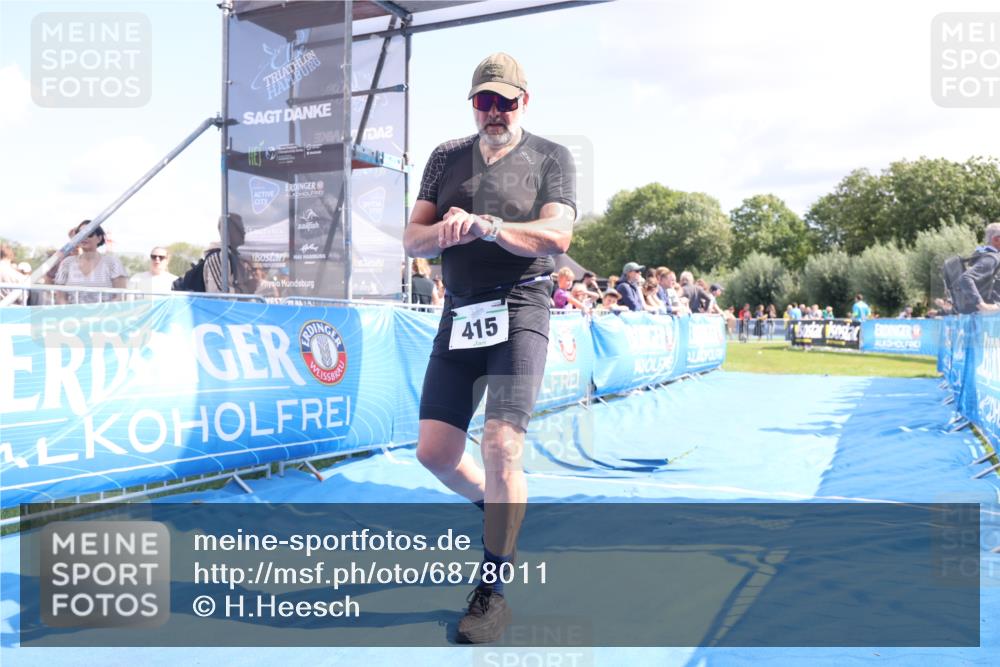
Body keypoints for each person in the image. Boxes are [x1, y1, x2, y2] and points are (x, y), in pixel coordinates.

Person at [401, 52, 576, 644]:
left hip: (521, 305)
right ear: (473, 104)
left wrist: (489, 226)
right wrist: (444, 231)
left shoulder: (552, 156)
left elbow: (557, 234)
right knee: (434, 454)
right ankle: (495, 510)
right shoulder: (447, 157)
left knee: (501, 444)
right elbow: (411, 238)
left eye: (506, 101)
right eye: (485, 101)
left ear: (525, 100)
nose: (495, 111)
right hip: (461, 312)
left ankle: (492, 591)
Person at [53, 221, 127, 303]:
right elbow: (60, 297)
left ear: (99, 238)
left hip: (104, 314)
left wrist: (103, 313)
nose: (84, 237)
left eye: (89, 234)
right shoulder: (67, 263)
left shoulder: (113, 263)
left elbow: (120, 296)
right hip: (73, 314)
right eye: (80, 234)